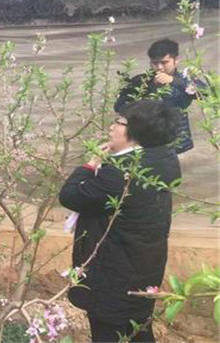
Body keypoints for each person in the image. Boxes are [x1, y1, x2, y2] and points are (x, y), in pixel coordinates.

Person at [59, 100, 181, 342]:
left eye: (119, 122)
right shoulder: (165, 158)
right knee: (137, 328)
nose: (112, 127)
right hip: (145, 266)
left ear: (134, 133)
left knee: (109, 331)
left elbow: (71, 196)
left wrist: (91, 163)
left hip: (114, 274)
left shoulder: (120, 172)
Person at [114, 38, 196, 154]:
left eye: (164, 62)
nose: (160, 67)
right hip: (147, 142)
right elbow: (119, 106)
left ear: (176, 60)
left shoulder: (185, 80)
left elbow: (205, 93)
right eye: (155, 63)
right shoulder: (141, 81)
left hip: (178, 143)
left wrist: (174, 81)